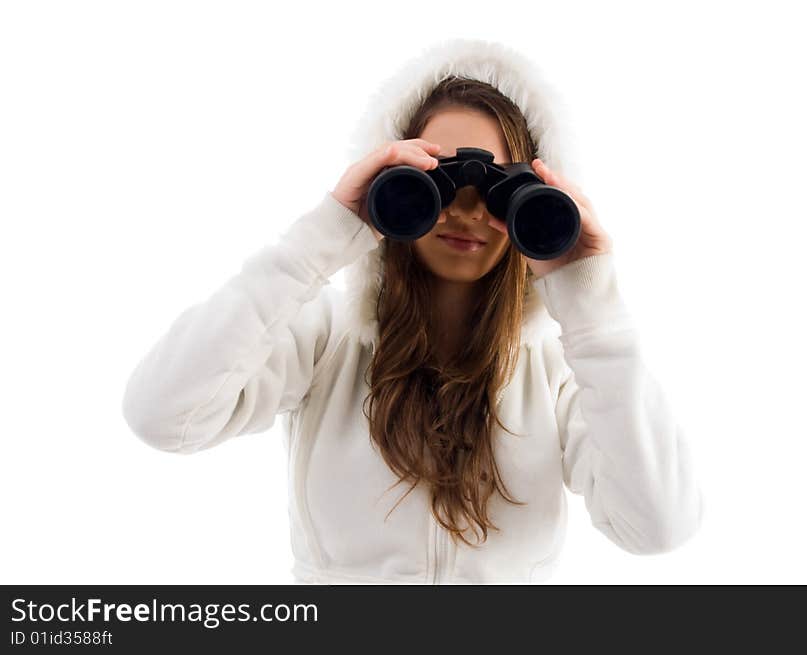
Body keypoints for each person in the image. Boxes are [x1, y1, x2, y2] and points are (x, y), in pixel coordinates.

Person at [122, 37, 704, 584]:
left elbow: (658, 527)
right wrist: (325, 235)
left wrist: (591, 305)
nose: (468, 212)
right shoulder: (328, 338)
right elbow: (161, 415)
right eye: (439, 182)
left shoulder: (557, 366)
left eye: (501, 190)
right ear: (394, 181)